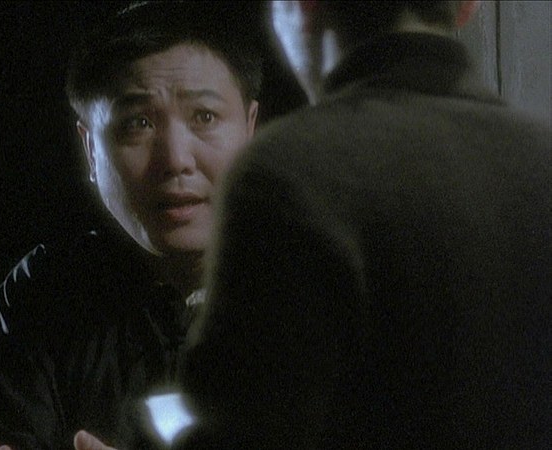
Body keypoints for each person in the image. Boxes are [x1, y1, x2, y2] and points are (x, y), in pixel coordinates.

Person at [176, 1, 552, 448]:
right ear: (467, 5)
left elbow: (246, 430)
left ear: (301, 7)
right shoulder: (542, 157)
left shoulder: (291, 171)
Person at [0, 2, 307, 449]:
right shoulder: (46, 296)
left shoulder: (315, 287)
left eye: (204, 117)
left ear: (250, 128)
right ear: (90, 150)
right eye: (137, 123)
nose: (175, 160)